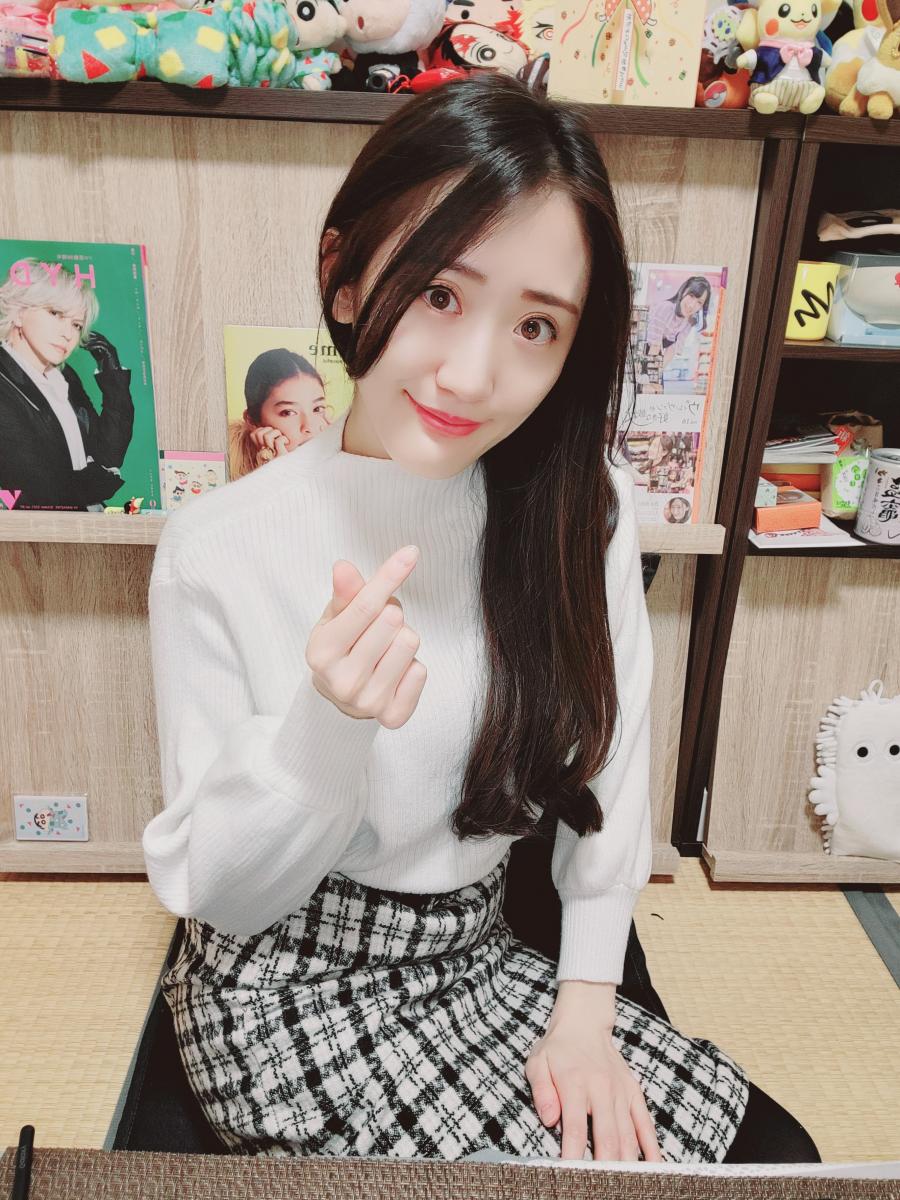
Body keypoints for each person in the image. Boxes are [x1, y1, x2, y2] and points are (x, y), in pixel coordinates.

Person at [142, 75, 819, 1165]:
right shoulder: (217, 547)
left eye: (536, 326)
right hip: (287, 983)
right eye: (440, 295)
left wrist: (586, 1015)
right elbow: (222, 892)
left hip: (479, 949)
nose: (472, 376)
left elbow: (609, 777)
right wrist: (325, 727)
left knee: (777, 1162)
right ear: (346, 279)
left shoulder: (578, 508)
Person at [0, 259, 134, 511]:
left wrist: (112, 374)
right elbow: (38, 487)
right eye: (55, 313)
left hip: (87, 522)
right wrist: (102, 478)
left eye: (76, 325)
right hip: (41, 529)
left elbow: (109, 454)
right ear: (18, 312)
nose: (69, 334)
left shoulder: (64, 377)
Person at [227, 347, 333, 479]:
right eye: (288, 412)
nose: (309, 427)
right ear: (253, 421)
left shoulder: (341, 462)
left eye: (317, 409)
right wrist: (278, 473)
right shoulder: (227, 473)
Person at [645, 276, 711, 370]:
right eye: (691, 296)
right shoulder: (666, 309)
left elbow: (672, 350)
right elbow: (654, 345)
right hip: (641, 351)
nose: (692, 305)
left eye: (699, 302)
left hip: (655, 356)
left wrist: (659, 371)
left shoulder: (689, 322)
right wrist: (650, 373)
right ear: (683, 291)